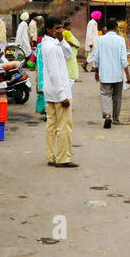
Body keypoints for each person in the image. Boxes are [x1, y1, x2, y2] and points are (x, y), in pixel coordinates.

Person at [41, 17, 75, 167]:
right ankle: (63, 158)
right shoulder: (51, 47)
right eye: (57, 28)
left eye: (61, 28)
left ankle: (51, 156)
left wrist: (62, 41)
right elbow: (54, 73)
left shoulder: (51, 43)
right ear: (49, 30)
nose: (60, 31)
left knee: (52, 126)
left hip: (51, 91)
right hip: (59, 92)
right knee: (63, 127)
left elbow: (68, 55)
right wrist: (63, 95)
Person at [94, 18, 130, 129]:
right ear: (116, 28)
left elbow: (97, 58)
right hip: (117, 73)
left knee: (105, 94)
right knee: (117, 96)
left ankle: (107, 115)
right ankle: (115, 118)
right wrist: (128, 74)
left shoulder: (100, 40)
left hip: (104, 73)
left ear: (106, 28)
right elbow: (123, 59)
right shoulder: (120, 40)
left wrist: (96, 71)